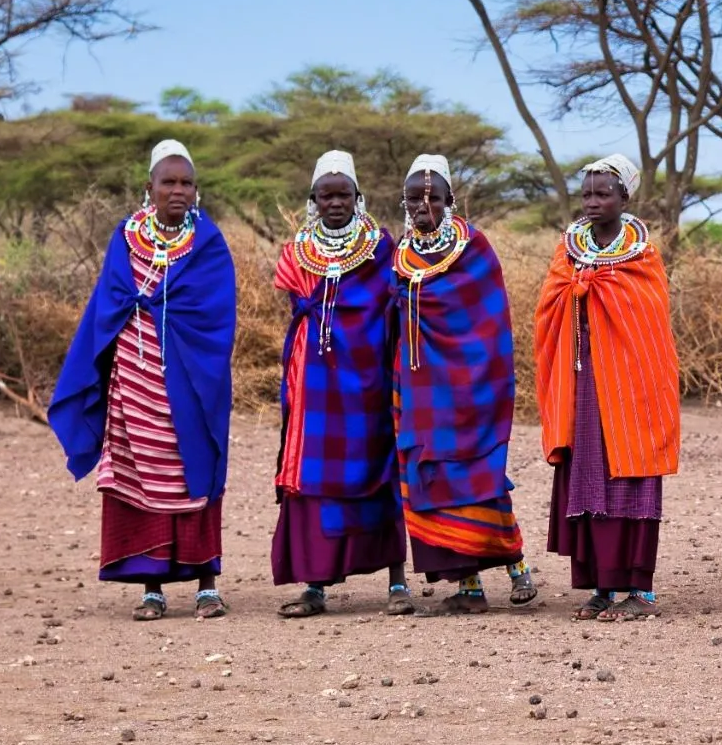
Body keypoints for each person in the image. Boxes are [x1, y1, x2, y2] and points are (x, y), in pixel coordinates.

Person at [49, 140, 237, 621]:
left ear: (198, 189)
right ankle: (151, 586)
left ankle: (207, 586)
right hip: (135, 375)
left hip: (193, 377)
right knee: (139, 474)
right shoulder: (125, 237)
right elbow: (108, 300)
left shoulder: (209, 242)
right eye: (168, 182)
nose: (178, 190)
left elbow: (216, 315)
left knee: (195, 467)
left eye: (186, 182)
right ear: (148, 189)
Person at [533, 154, 681, 621]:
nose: (593, 202)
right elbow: (550, 305)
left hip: (633, 383)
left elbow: (648, 316)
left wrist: (596, 288)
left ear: (625, 198)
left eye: (603, 194)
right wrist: (578, 287)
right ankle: (599, 586)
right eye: (587, 194)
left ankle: (640, 589)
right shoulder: (568, 250)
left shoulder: (643, 254)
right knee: (587, 474)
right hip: (581, 380)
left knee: (631, 475)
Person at [391, 154, 537, 614]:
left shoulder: (474, 248)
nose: (423, 206)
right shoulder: (400, 253)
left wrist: (471, 371)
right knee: (432, 477)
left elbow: (488, 321)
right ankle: (467, 584)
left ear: (451, 200)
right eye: (415, 198)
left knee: (479, 474)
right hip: (419, 387)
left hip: (470, 382)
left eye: (433, 198)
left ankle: (517, 566)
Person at [271, 151, 413, 618]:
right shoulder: (297, 251)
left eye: (344, 195)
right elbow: (297, 301)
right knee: (313, 476)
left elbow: (389, 308)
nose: (336, 203)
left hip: (367, 376)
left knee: (378, 468)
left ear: (359, 198)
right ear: (313, 199)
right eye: (327, 195)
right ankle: (315, 585)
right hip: (313, 380)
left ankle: (397, 581)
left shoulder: (380, 248)